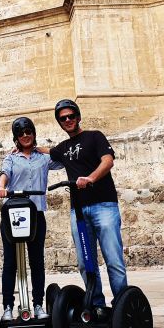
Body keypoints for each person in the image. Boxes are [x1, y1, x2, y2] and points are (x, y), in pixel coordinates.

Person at [48, 99, 127, 309]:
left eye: (71, 116)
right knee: (86, 264)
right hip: (79, 211)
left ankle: (122, 307)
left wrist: (91, 178)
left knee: (114, 261)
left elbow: (108, 160)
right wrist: (22, 147)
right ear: (60, 123)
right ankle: (97, 307)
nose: (67, 120)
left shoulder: (95, 136)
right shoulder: (62, 148)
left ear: (78, 117)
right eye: (63, 118)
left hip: (104, 206)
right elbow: (44, 153)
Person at [0, 116, 63, 321]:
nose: (25, 136)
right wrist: (1, 187)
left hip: (36, 215)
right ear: (16, 137)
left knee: (36, 262)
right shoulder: (11, 158)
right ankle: (8, 306)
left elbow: (62, 158)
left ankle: (38, 305)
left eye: (29, 132)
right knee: (10, 263)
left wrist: (43, 149)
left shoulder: (43, 158)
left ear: (33, 133)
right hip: (13, 214)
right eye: (21, 133)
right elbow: (4, 174)